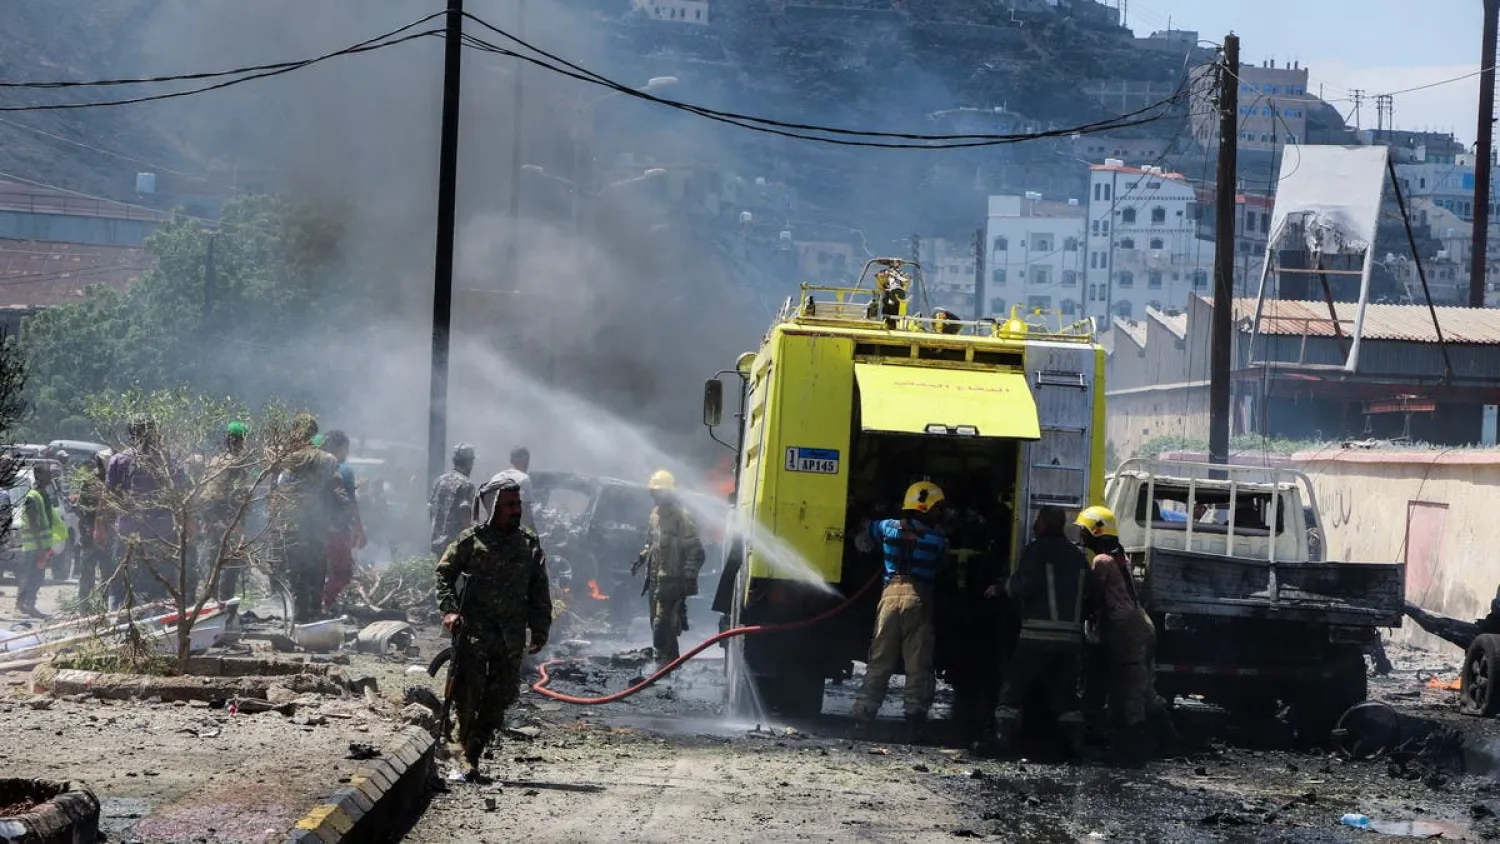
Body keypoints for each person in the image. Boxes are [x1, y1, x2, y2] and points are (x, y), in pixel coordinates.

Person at [434, 477, 552, 783]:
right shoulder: (471, 541)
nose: (516, 510)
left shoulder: (528, 543)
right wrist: (450, 609)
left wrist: (540, 627)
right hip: (474, 634)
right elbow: (444, 573)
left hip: (510, 637)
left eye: (518, 504)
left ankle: (472, 754)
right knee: (467, 697)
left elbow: (539, 588)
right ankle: (460, 754)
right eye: (509, 505)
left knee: (499, 699)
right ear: (494, 507)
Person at [1075, 505, 1180, 764]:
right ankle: (1171, 742)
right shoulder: (1119, 556)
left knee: (1132, 691)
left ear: (1096, 531)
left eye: (1084, 530)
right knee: (1144, 689)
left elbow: (1093, 597)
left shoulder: (1102, 561)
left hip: (1127, 632)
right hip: (1140, 627)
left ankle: (1134, 753)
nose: (1081, 536)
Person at [852, 480, 950, 742]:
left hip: (888, 598)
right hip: (918, 601)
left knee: (880, 659)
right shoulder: (936, 539)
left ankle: (863, 716)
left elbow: (866, 527)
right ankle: (914, 721)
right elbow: (943, 563)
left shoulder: (887, 528)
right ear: (926, 509)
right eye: (937, 508)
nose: (940, 513)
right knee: (917, 662)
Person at [991, 506, 1094, 758]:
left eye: (1038, 520)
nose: (1035, 525)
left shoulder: (1036, 551)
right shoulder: (1078, 556)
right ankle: (1075, 744)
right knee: (1067, 694)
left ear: (1045, 524)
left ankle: (1003, 739)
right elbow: (1092, 594)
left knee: (1013, 688)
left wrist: (1001, 588)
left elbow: (1024, 585)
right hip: (1070, 640)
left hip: (1036, 637)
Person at [269, 414, 350, 622]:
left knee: (296, 571)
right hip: (316, 526)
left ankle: (299, 615)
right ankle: (313, 615)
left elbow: (274, 493)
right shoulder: (327, 459)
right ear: (314, 433)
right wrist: (342, 520)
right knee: (316, 570)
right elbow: (339, 494)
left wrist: (274, 524)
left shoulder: (283, 459)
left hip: (290, 525)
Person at [106, 415, 186, 610]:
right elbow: (181, 495)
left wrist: (102, 526)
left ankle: (118, 619)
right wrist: (185, 523)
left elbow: (109, 497)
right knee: (159, 583)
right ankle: (155, 619)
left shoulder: (119, 460)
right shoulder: (168, 460)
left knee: (123, 581)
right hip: (161, 533)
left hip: (129, 532)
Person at [632, 469, 705, 665]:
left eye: (660, 492)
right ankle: (669, 665)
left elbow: (696, 551)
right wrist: (642, 558)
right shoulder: (654, 516)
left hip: (673, 581)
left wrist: (689, 577)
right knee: (658, 624)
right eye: (654, 492)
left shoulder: (681, 518)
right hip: (654, 581)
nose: (656, 496)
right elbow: (651, 543)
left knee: (661, 625)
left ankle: (663, 664)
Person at [199, 422, 252, 601]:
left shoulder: (215, 460)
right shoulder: (238, 462)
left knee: (213, 559)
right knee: (231, 560)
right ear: (241, 440)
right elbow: (240, 494)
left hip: (210, 515)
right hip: (226, 514)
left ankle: (211, 600)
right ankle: (225, 603)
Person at [319, 430, 366, 609]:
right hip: (337, 530)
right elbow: (350, 502)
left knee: (319, 571)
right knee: (343, 573)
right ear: (341, 448)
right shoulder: (344, 469)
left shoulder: (316, 468)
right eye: (346, 448)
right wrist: (359, 529)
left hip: (314, 530)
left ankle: (317, 605)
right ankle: (328, 604)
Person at [15, 462, 65, 617]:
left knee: (34, 576)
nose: (50, 476)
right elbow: (33, 524)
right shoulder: (32, 497)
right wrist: (39, 548)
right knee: (33, 577)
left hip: (39, 545)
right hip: (34, 547)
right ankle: (27, 606)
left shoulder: (41, 495)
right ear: (39, 475)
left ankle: (25, 605)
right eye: (47, 473)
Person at [73, 450, 111, 603]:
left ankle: (104, 606)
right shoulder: (90, 482)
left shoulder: (112, 482)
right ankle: (84, 606)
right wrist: (89, 526)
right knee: (87, 573)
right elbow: (80, 508)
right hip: (89, 537)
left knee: (107, 574)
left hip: (108, 537)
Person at [429, 443, 477, 557]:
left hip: (438, 543)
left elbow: (431, 509)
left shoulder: (439, 481)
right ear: (470, 462)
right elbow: (464, 513)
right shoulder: (466, 484)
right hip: (456, 546)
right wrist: (473, 538)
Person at [479, 446, 536, 532]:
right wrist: (533, 533)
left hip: (493, 529)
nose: (528, 464)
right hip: (512, 531)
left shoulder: (496, 477)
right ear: (524, 461)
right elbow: (526, 511)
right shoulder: (524, 479)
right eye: (527, 460)